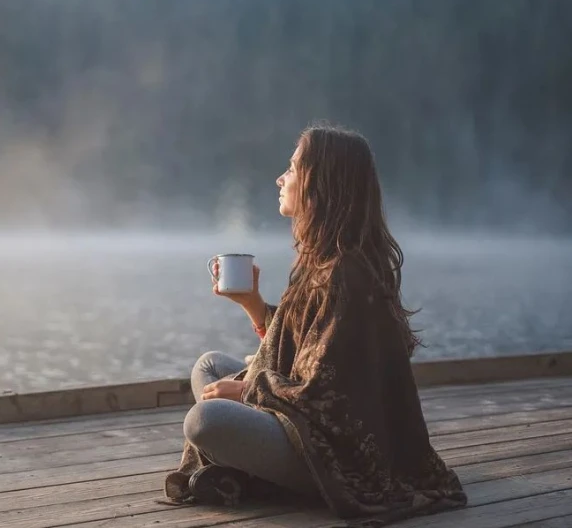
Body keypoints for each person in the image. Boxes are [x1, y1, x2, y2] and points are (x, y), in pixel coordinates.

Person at [163, 123, 467, 526]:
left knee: (205, 421)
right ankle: (249, 461)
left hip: (339, 455)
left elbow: (328, 394)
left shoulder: (348, 273)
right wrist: (253, 304)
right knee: (210, 365)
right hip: (303, 419)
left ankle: (263, 472)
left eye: (292, 168)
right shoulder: (324, 259)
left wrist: (249, 390)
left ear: (320, 184)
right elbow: (300, 348)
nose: (280, 178)